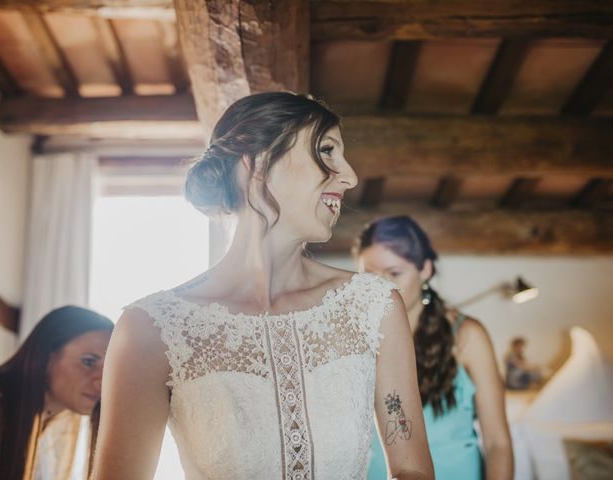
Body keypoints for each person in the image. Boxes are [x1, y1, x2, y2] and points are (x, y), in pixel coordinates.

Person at [92, 92, 434, 479]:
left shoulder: (374, 307)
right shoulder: (150, 329)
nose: (351, 176)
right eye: (326, 151)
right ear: (256, 165)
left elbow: (412, 471)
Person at [354, 216, 513, 480]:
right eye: (369, 274)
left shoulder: (467, 335)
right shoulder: (352, 335)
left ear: (425, 269)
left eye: (394, 273)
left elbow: (498, 443)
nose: (379, 288)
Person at [0, 306, 113, 480]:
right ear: (47, 357)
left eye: (111, 370)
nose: (102, 381)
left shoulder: (57, 429)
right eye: (89, 361)